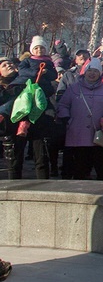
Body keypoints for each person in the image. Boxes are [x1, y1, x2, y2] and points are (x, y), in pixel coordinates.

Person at [57, 58, 103, 180]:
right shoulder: (74, 88)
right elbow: (63, 105)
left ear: (100, 73)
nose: (92, 74)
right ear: (85, 72)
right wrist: (67, 120)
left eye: (96, 71)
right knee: (80, 168)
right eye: (90, 71)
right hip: (77, 134)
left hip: (99, 135)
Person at [11, 36, 59, 179]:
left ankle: (43, 180)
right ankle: (15, 179)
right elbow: (22, 72)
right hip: (26, 102)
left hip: (41, 105)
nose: (39, 50)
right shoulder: (27, 61)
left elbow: (53, 75)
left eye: (42, 48)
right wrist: (36, 73)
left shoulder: (48, 63)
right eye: (36, 48)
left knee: (40, 148)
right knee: (18, 149)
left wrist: (45, 73)